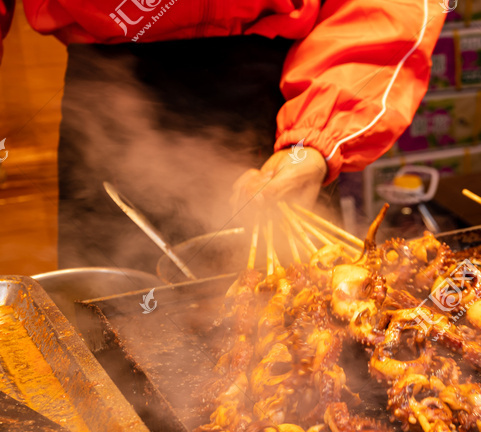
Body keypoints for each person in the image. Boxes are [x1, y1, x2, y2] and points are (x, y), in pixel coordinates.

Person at [0, 0, 444, 270]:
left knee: (293, 330)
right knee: (106, 357)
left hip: (281, 96)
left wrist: (315, 140)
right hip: (105, 111)